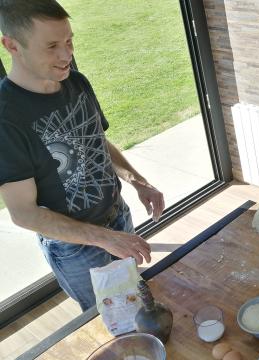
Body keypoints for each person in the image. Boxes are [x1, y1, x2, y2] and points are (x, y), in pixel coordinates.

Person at [0, 0, 165, 311]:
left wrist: (138, 182)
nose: (67, 55)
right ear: (12, 46)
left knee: (137, 302)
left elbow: (97, 140)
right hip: (75, 249)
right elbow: (23, 213)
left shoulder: (76, 82)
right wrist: (103, 238)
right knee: (112, 318)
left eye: (69, 41)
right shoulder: (6, 118)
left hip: (117, 217)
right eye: (51, 46)